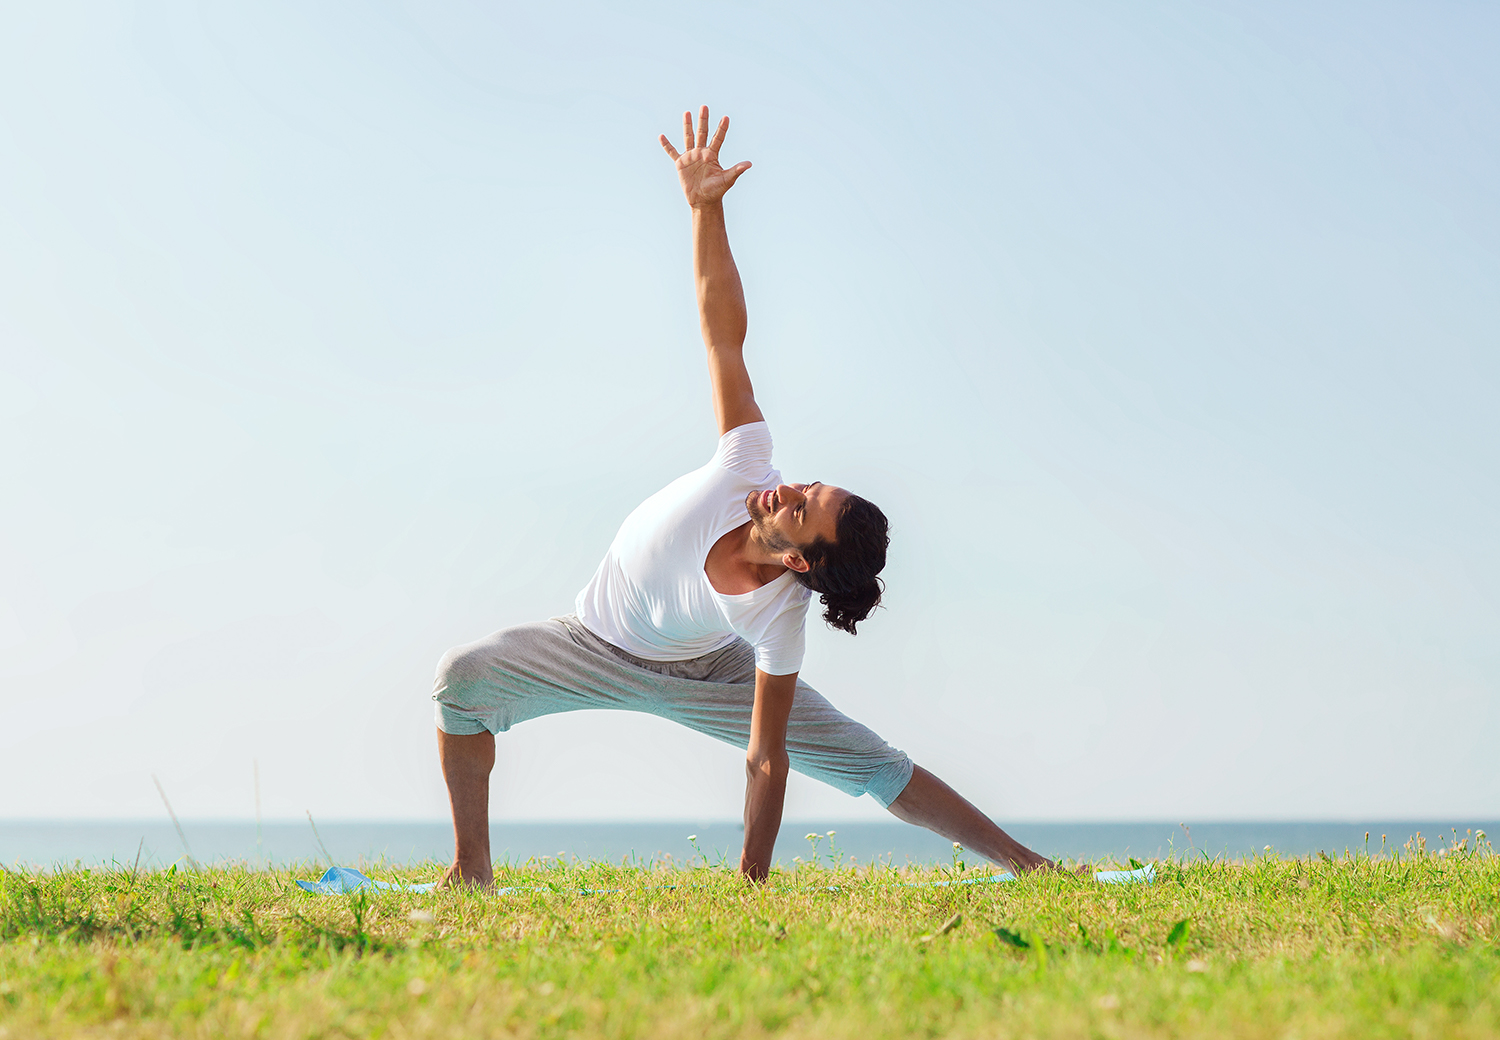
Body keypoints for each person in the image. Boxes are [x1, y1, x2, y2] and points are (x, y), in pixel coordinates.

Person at [432, 106, 1057, 888]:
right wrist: (706, 206)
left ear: (798, 558)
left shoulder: (778, 620)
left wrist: (750, 883)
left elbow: (767, 758)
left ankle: (1031, 866)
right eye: (809, 485)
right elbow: (721, 329)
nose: (786, 489)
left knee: (871, 762)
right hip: (592, 642)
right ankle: (471, 870)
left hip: (708, 672)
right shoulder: (747, 464)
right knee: (464, 680)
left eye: (801, 507)